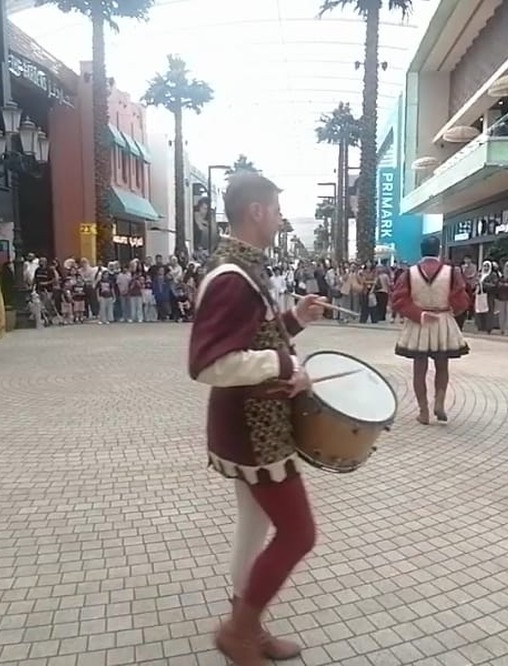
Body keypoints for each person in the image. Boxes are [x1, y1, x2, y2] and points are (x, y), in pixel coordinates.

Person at [187, 172, 326, 665]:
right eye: (276, 208)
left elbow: (252, 339)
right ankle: (239, 631)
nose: (281, 218)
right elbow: (208, 363)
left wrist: (296, 321)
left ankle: (247, 623)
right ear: (257, 212)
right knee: (298, 533)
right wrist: (287, 365)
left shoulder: (245, 269)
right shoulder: (231, 276)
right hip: (255, 430)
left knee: (253, 523)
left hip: (252, 423)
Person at [390, 236, 470, 425]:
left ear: (421, 250)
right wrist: (453, 310)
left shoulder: (409, 273)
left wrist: (419, 314)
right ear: (438, 250)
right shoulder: (452, 272)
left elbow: (398, 300)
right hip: (443, 320)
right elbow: (462, 299)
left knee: (419, 369)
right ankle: (440, 402)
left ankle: (423, 411)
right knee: (442, 366)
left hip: (419, 322)